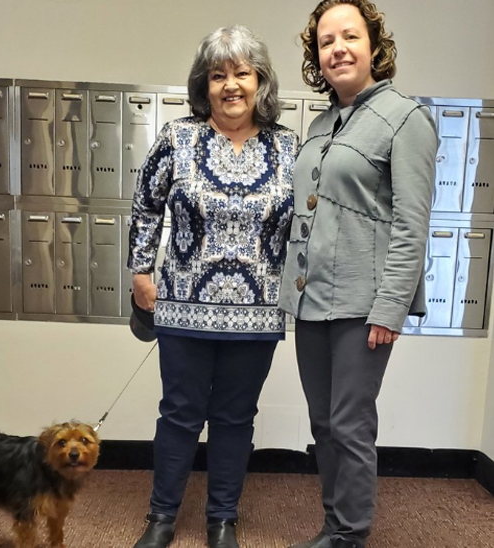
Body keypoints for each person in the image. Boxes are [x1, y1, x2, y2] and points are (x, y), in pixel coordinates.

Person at [128, 25, 298, 548]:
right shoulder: (177, 137)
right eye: (218, 74)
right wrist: (140, 271)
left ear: (260, 82)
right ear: (204, 84)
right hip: (182, 307)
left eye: (242, 73)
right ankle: (161, 518)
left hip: (257, 312)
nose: (230, 85)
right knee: (179, 414)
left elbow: (308, 225)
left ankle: (223, 518)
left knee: (234, 418)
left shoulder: (289, 146)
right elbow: (145, 204)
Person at [279, 2, 437, 548]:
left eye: (350, 36)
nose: (338, 49)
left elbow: (413, 224)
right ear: (316, 56)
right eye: (326, 41)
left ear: (374, 46)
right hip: (310, 300)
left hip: (362, 304)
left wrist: (391, 308)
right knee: (322, 423)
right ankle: (334, 522)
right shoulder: (323, 125)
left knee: (349, 424)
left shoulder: (405, 118)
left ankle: (349, 534)